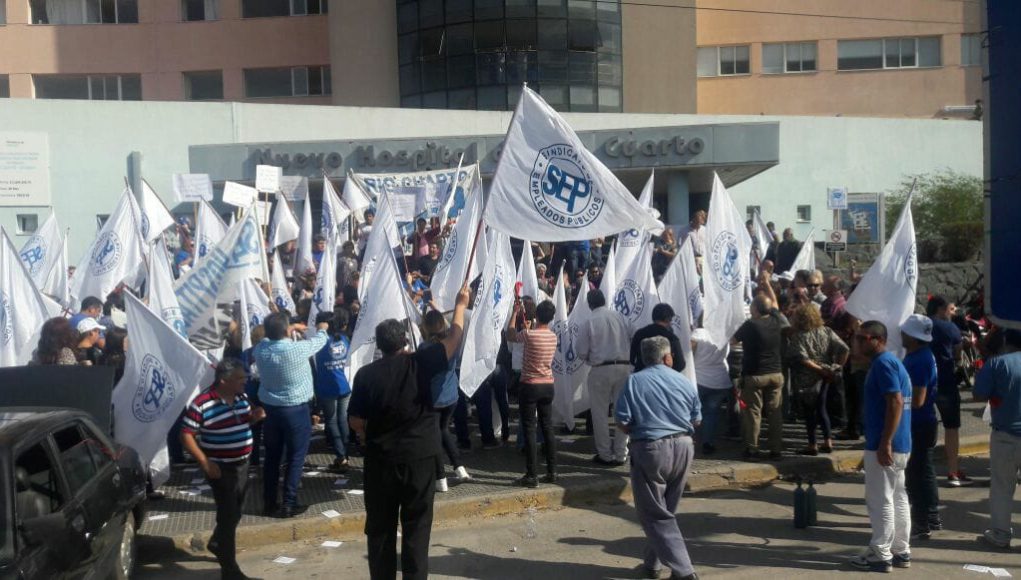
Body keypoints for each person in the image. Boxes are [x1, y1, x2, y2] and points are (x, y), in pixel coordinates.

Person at [348, 285, 470, 580]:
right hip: (420, 460)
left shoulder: (366, 375)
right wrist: (460, 306)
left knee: (380, 531)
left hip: (381, 463)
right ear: (404, 341)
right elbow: (454, 338)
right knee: (417, 530)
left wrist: (364, 437)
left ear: (379, 345)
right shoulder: (421, 361)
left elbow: (354, 419)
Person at [615, 336, 701, 580]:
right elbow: (697, 419)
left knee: (654, 514)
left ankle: (684, 571)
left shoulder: (634, 381)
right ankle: (652, 564)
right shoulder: (684, 381)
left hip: (651, 449)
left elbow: (621, 420)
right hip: (684, 447)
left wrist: (642, 433)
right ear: (667, 357)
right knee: (664, 511)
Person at [181, 358, 265, 580]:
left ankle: (217, 542)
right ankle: (230, 570)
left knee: (235, 511)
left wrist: (254, 418)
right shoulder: (202, 403)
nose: (244, 382)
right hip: (220, 468)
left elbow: (243, 420)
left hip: (242, 464)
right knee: (228, 515)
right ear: (223, 380)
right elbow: (186, 435)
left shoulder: (242, 397)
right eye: (239, 378)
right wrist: (205, 463)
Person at [849, 321, 913, 573]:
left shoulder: (884, 364)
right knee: (898, 496)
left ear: (876, 339)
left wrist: (884, 441)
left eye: (861, 338)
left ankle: (880, 552)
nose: (857, 342)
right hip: (899, 443)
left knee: (880, 498)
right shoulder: (892, 363)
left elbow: (895, 401)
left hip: (886, 443)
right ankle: (900, 549)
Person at [253, 312, 330, 518]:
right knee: (296, 456)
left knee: (271, 457)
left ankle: (269, 502)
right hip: (295, 409)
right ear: (287, 331)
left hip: (270, 410)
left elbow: (267, 337)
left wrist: (289, 328)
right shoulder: (297, 349)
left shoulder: (260, 350)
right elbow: (320, 341)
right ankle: (289, 501)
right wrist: (322, 328)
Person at [973, 328, 1021, 550]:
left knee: (1002, 487)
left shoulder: (997, 364)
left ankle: (1000, 534)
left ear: (1005, 341)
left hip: (1005, 435)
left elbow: (979, 394)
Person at [576, 289, 633, 466]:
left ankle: (605, 454)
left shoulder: (589, 321)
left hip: (601, 368)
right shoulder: (621, 317)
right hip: (624, 366)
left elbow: (581, 351)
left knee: (599, 413)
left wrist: (591, 357)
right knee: (623, 412)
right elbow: (634, 334)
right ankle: (621, 453)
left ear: (590, 304)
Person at [506, 299, 559, 488]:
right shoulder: (553, 337)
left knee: (529, 428)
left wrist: (514, 314)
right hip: (548, 384)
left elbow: (510, 335)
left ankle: (532, 474)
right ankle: (552, 471)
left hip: (529, 385)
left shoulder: (529, 334)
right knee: (547, 426)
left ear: (536, 315)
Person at [899, 314, 943, 540]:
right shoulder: (920, 355)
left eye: (905, 332)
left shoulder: (919, 360)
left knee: (917, 474)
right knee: (924, 471)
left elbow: (917, 399)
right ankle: (931, 517)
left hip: (919, 423)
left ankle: (922, 522)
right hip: (922, 422)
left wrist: (894, 401)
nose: (901, 334)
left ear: (914, 337)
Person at [786, 303, 849, 456]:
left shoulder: (799, 336)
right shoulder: (827, 331)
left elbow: (803, 359)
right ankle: (828, 441)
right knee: (822, 408)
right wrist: (835, 368)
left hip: (807, 378)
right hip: (826, 376)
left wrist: (820, 370)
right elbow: (845, 349)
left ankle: (812, 444)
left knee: (810, 412)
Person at [734, 290, 788, 460]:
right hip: (776, 373)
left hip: (755, 375)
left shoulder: (750, 325)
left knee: (753, 413)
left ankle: (753, 448)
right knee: (775, 413)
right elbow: (776, 309)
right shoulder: (777, 322)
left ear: (755, 308)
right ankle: (776, 449)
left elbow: (733, 340)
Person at [421, 310, 471, 491]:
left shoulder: (425, 348)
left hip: (433, 400)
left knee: (435, 436)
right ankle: (460, 468)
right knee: (444, 431)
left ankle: (440, 477)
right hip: (451, 397)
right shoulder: (451, 343)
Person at [927, 295, 970, 486]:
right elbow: (958, 352)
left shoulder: (922, 325)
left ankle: (919, 467)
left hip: (924, 380)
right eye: (951, 309)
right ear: (941, 309)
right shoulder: (950, 328)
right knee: (951, 427)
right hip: (946, 381)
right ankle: (953, 471)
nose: (954, 313)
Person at [314, 310, 353, 472]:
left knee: (331, 420)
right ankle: (346, 453)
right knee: (343, 419)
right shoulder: (344, 339)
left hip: (327, 387)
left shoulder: (318, 342)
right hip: (344, 385)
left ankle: (341, 457)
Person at [691, 325, 730, 455]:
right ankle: (708, 442)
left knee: (694, 412)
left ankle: (692, 441)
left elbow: (689, 352)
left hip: (700, 378)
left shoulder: (698, 333)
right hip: (719, 380)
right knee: (711, 414)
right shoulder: (723, 333)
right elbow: (726, 355)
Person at [630, 304, 684, 373]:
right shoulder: (672, 338)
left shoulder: (639, 333)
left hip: (641, 378)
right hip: (664, 379)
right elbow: (680, 364)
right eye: (670, 320)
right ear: (667, 319)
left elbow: (632, 359)